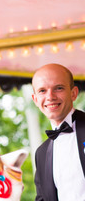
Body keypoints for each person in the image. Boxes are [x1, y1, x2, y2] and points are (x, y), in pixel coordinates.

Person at [32, 63, 85, 201]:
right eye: (42, 91)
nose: (50, 96)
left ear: (73, 93)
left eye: (59, 88)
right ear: (35, 99)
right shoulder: (41, 153)